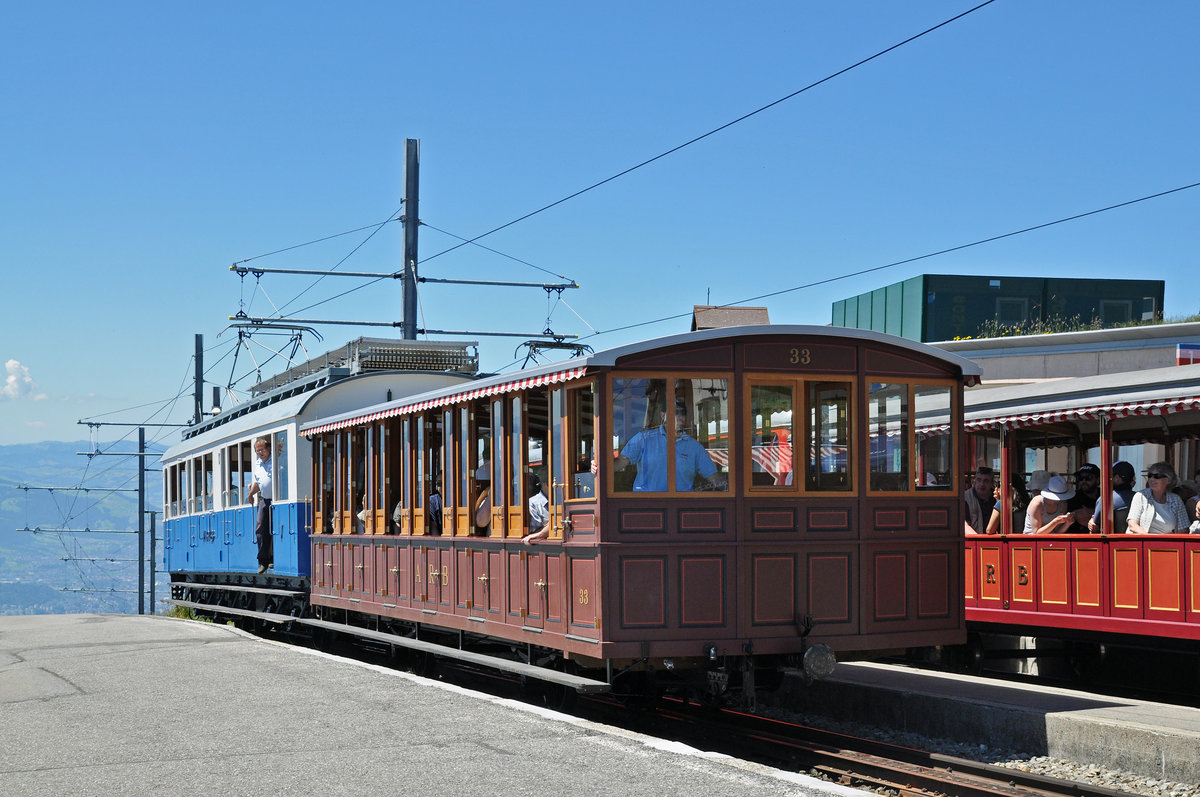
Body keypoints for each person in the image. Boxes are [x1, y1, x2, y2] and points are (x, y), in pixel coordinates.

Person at [614, 401, 718, 492]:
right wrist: (599, 467)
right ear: (663, 415)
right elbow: (620, 462)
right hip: (646, 505)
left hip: (681, 507)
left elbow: (714, 477)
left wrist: (729, 486)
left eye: (683, 413)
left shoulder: (694, 447)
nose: (680, 416)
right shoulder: (644, 439)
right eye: (676, 412)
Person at [1126, 461, 1190, 534]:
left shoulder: (1176, 500)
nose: (1152, 479)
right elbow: (1132, 525)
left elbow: (1183, 530)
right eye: (1150, 475)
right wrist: (1150, 539)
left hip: (1167, 543)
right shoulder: (1141, 496)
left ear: (1168, 480)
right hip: (1142, 542)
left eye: (1157, 476)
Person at [246, 436, 273, 573]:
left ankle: (272, 559)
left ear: (268, 449)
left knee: (274, 529)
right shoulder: (258, 464)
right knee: (260, 527)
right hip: (264, 498)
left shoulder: (275, 461)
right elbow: (258, 482)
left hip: (276, 499)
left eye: (262, 449)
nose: (260, 452)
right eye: (257, 451)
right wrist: (251, 494)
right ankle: (262, 561)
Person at [1088, 461, 1137, 533]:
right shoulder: (1140, 498)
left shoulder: (1106, 498)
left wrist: (1092, 522)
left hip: (1113, 542)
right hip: (1137, 542)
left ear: (1117, 478)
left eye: (1110, 476)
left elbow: (1094, 528)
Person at [1066, 463, 1101, 532]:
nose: (1084, 481)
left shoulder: (1104, 496)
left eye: (1089, 478)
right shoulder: (1073, 497)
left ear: (1098, 480)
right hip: (1077, 539)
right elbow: (1080, 518)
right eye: (1081, 478)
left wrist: (1092, 512)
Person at [963, 466, 996, 534]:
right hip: (974, 541)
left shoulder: (996, 498)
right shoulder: (965, 498)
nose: (982, 484)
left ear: (992, 483)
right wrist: (978, 542)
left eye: (986, 481)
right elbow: (964, 524)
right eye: (979, 480)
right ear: (974, 481)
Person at [521, 473, 550, 545]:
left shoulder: (559, 501)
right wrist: (543, 533)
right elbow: (533, 533)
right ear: (548, 484)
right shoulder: (532, 504)